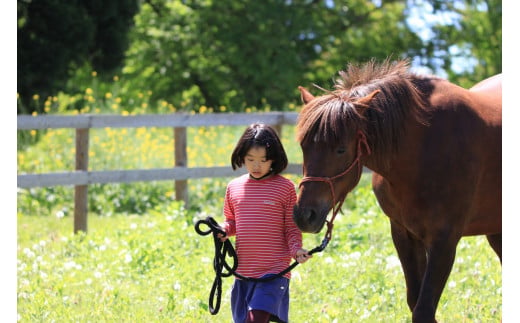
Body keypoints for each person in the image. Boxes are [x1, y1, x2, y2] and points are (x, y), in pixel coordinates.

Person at [218, 122, 312, 323]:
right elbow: (232, 222)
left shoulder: (285, 188)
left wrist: (296, 250)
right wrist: (224, 230)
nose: (256, 165)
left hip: (274, 272)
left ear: (274, 160)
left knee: (256, 319)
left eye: (263, 160)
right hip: (243, 273)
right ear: (242, 156)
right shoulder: (234, 188)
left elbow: (291, 227)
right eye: (250, 159)